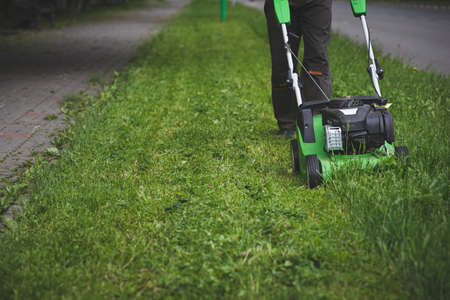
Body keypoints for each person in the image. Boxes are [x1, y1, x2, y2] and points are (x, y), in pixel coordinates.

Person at [264, 0, 332, 137]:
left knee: (317, 59)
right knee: (283, 60)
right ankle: (287, 123)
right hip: (280, 3)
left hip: (317, 3)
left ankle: (316, 121)